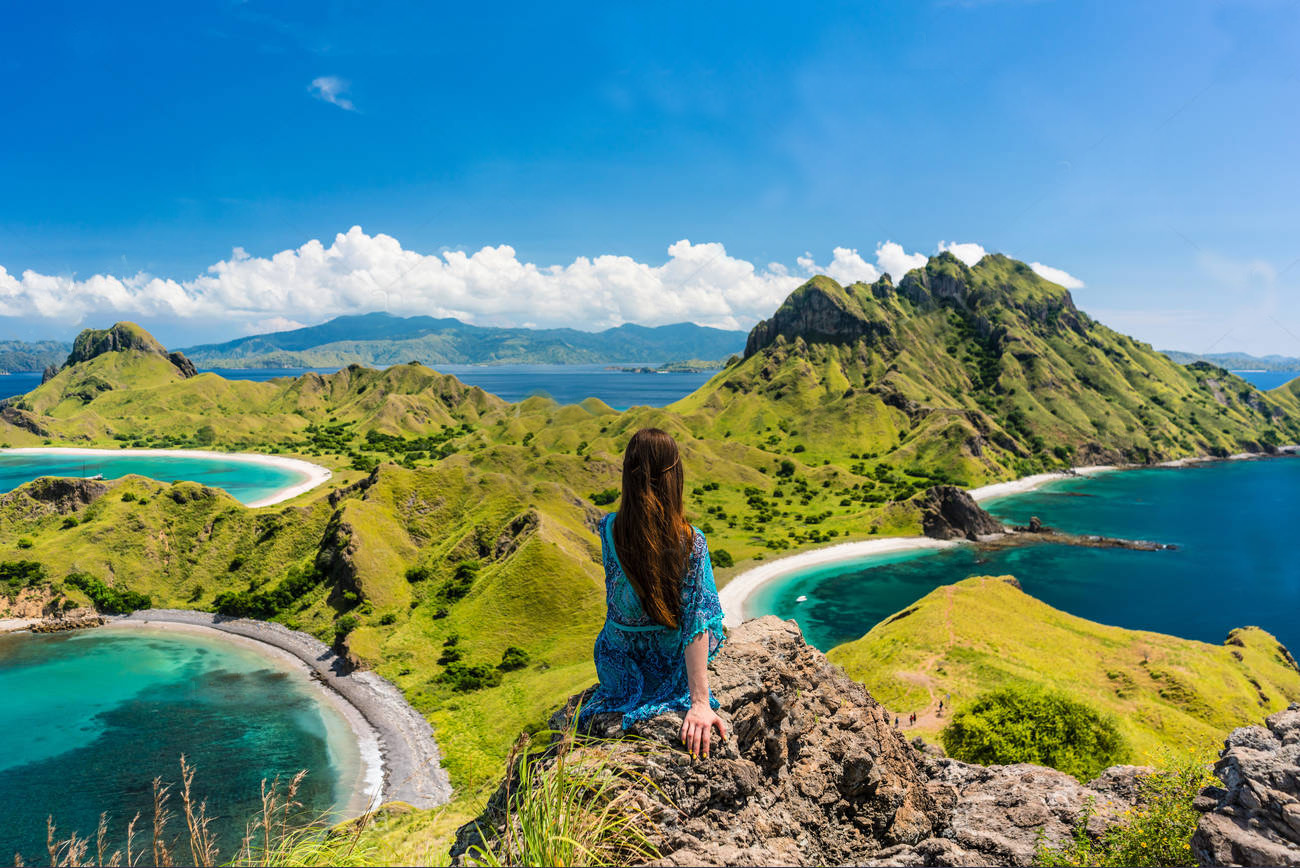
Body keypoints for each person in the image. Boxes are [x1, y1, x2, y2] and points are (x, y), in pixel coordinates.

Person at [577, 428, 728, 760]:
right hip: (666, 665)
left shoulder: (608, 529)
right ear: (674, 477)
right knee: (710, 618)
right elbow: (697, 621)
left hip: (616, 664)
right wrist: (699, 702)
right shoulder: (691, 541)